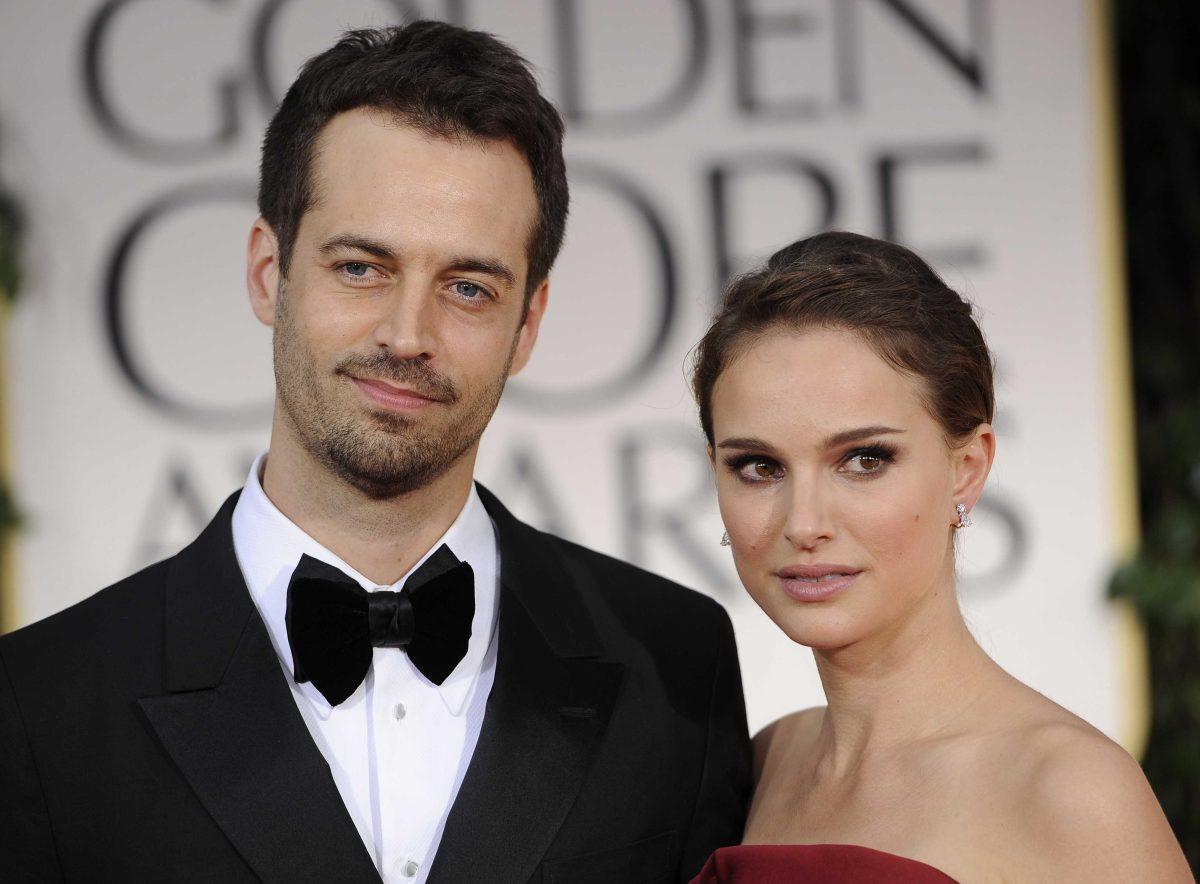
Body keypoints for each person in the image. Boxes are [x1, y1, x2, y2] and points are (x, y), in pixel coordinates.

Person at [0, 22, 751, 883]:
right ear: (267, 271)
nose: (408, 335)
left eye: (468, 287)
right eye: (362, 268)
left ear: (527, 325)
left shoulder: (676, 664)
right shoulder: (38, 705)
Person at [686, 232, 1192, 882]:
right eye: (758, 466)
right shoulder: (769, 763)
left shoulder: (1069, 791)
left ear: (966, 468)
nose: (803, 523)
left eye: (864, 460)